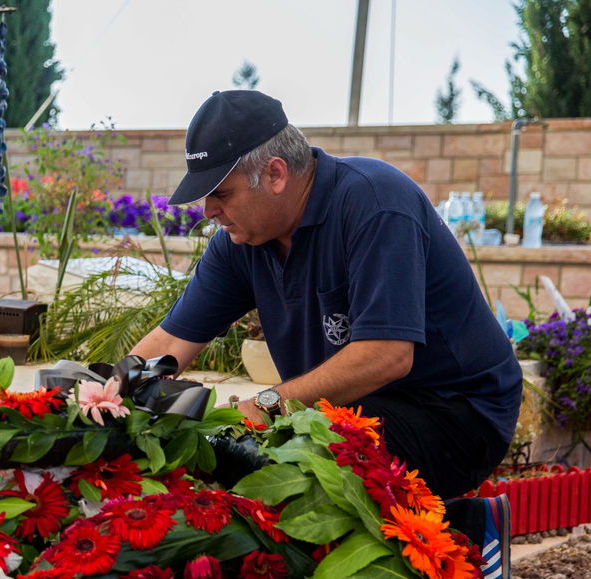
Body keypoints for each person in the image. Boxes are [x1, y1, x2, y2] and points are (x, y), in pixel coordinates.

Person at [130, 89, 522, 499]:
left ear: (275, 175)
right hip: (349, 408)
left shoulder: (375, 203)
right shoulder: (240, 240)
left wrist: (267, 404)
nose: (208, 210)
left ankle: (473, 529)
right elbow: (171, 343)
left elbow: (385, 356)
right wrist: (100, 395)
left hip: (455, 415)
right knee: (222, 457)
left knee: (281, 467)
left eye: (221, 193)